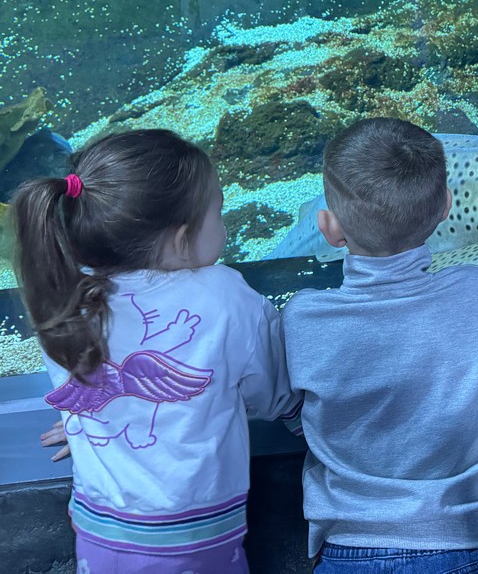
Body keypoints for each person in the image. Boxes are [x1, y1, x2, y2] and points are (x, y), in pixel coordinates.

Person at [14, 128, 302, 574]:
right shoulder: (226, 296)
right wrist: (305, 421)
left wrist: (85, 421)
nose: (224, 226)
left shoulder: (63, 298)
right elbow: (272, 395)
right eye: (218, 212)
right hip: (194, 541)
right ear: (181, 238)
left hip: (99, 531)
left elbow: (95, 386)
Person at [282, 117, 478, 574]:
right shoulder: (472, 288)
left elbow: (292, 408)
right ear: (446, 206)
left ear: (329, 228)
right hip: (462, 542)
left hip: (347, 545)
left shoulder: (304, 316)